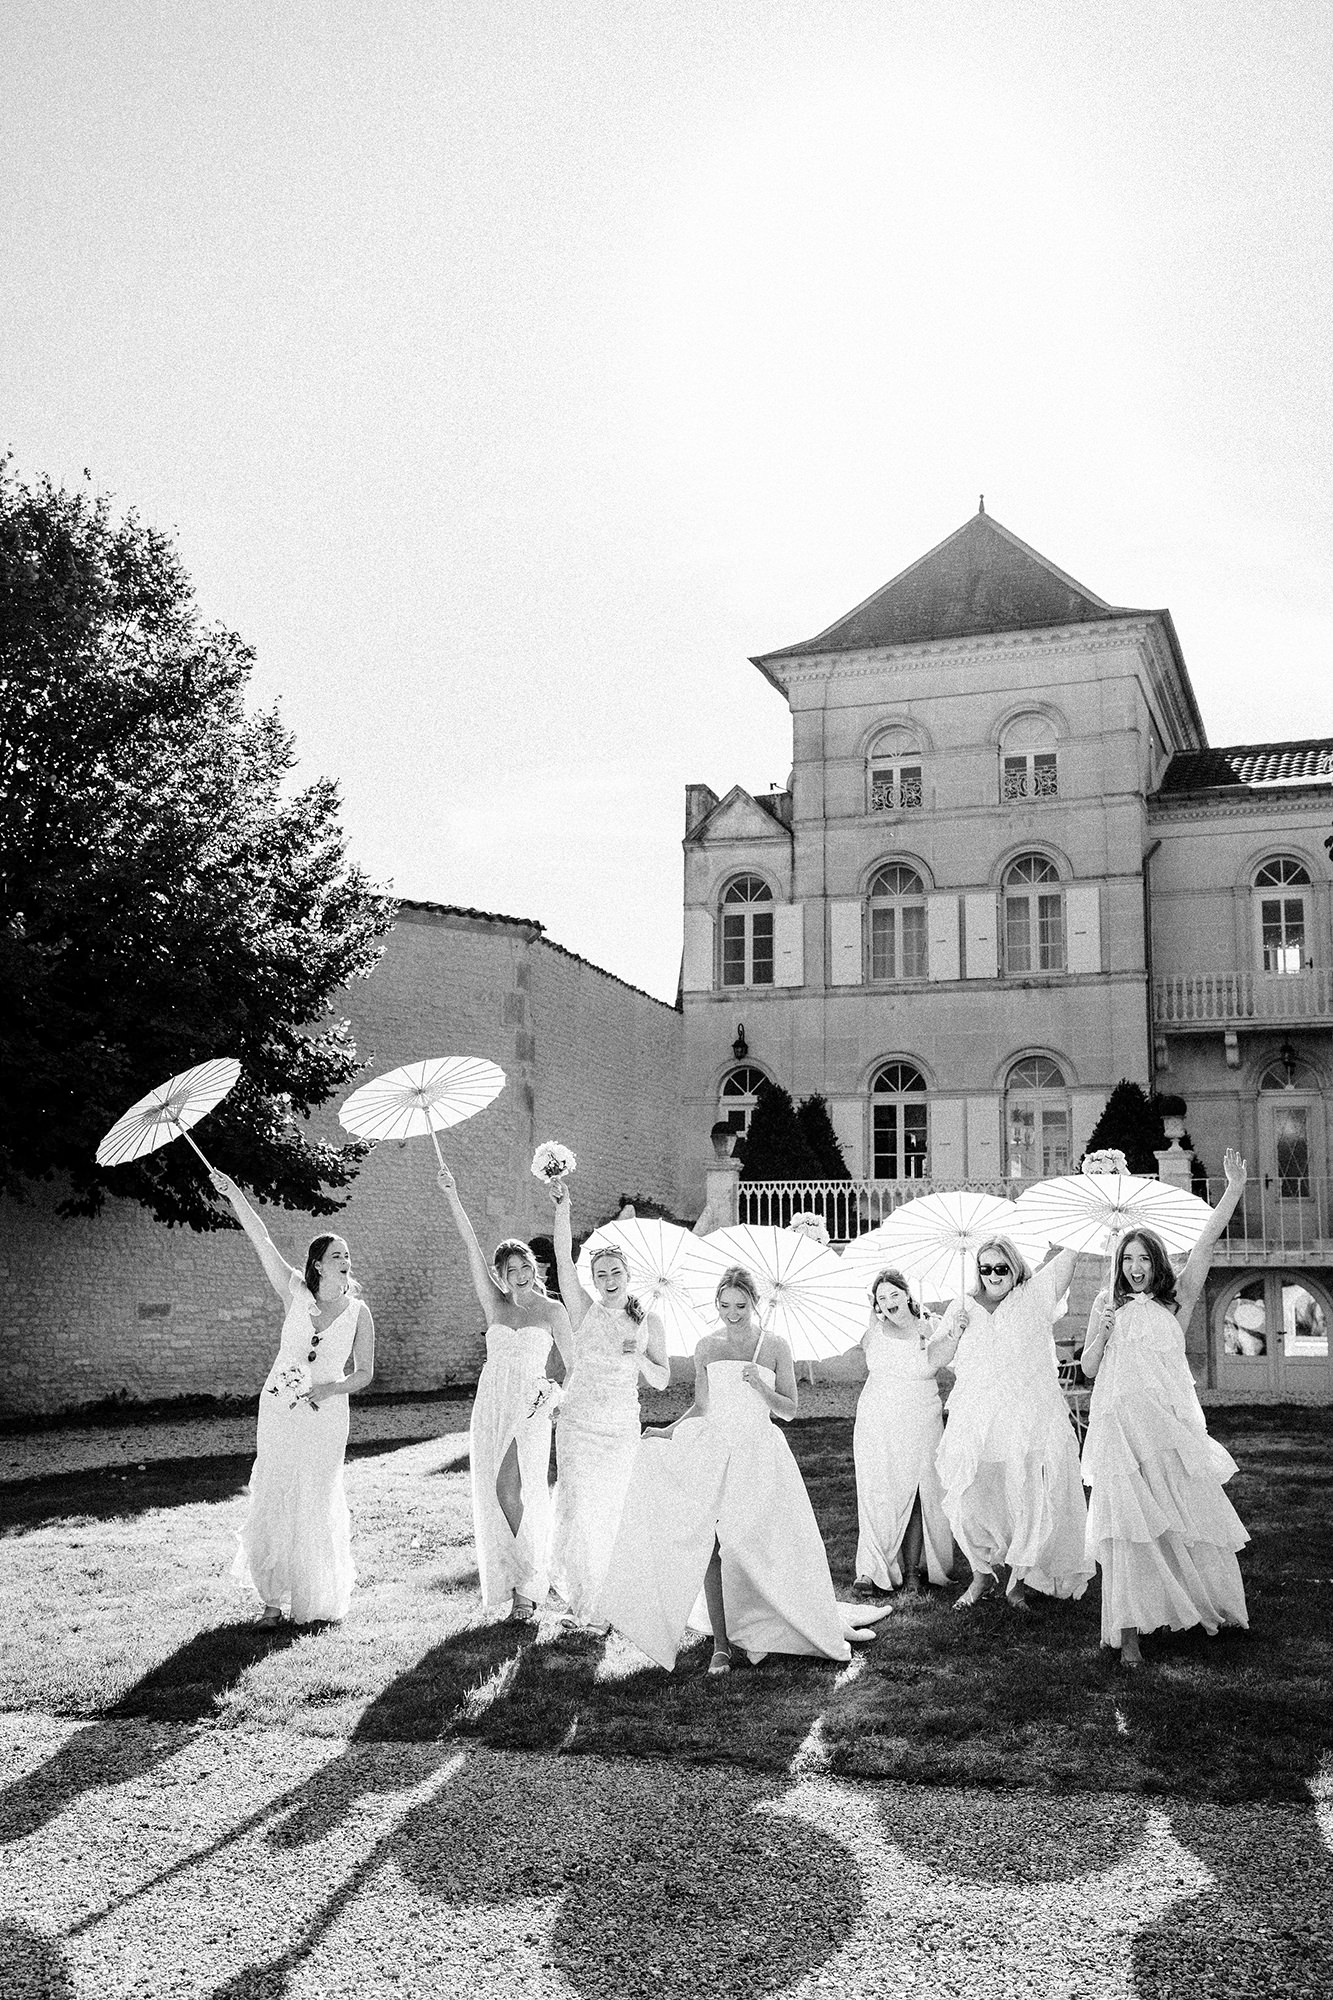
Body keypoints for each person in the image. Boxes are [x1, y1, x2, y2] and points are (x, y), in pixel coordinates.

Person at [597, 1265, 883, 1673]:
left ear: (755, 1304)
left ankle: (766, 1621)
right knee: (711, 1541)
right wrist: (669, 1431)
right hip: (714, 1449)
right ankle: (721, 1642)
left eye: (741, 1305)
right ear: (717, 1304)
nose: (733, 1313)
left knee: (764, 1542)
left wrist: (760, 1386)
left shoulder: (776, 1346)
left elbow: (790, 1410)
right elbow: (702, 1406)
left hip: (759, 1453)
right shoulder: (706, 1347)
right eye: (725, 1305)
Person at [1080, 1150, 1250, 1668]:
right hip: (1117, 1429)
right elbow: (1087, 1370)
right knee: (1126, 1524)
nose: (1134, 1268)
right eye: (1126, 1260)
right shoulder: (1104, 1304)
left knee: (1182, 1515)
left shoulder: (1178, 1302)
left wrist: (1233, 1191)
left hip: (1165, 1426)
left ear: (1156, 1262)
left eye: (1143, 1259)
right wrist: (1102, 1333)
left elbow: (1203, 1245)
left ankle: (1201, 1602)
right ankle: (1128, 1630)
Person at [210, 1170, 375, 1626]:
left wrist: (330, 1387)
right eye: (336, 1255)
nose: (345, 1260)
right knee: (277, 1488)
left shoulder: (360, 1313)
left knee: (317, 1493)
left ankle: (314, 1595)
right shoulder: (294, 1293)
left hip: (327, 1410)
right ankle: (270, 1603)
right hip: (280, 1406)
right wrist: (235, 1194)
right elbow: (260, 1237)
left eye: (348, 1255)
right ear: (318, 1264)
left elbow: (365, 1374)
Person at [437, 1163, 572, 1620]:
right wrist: (453, 1195)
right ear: (500, 1275)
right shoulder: (494, 1306)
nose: (519, 1274)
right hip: (491, 1403)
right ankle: (522, 1588)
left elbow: (573, 1368)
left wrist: (553, 1399)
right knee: (496, 1493)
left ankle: (529, 1583)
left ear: (534, 1269)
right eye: (509, 1269)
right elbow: (471, 1249)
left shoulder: (552, 1311)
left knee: (510, 1489)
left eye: (525, 1266)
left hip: (530, 1410)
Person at [933, 1234, 1092, 1611]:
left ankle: (1018, 1581)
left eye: (1000, 1268)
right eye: (984, 1268)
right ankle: (982, 1574)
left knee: (1027, 1496)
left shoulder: (1034, 1295)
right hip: (976, 1419)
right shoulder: (962, 1305)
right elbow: (934, 1358)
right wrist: (954, 1332)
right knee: (970, 1498)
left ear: (1015, 1267)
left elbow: (1070, 1256)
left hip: (1027, 1415)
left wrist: (1090, 1203)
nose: (992, 1275)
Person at [547, 1187, 670, 1626]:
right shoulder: (583, 1311)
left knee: (612, 1510)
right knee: (579, 1510)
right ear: (594, 1279)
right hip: (578, 1423)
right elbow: (563, 1263)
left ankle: (612, 1600)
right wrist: (563, 1210)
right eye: (601, 1274)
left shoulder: (648, 1321)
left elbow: (662, 1379)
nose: (609, 1279)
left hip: (620, 1428)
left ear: (627, 1272)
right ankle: (588, 1604)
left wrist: (635, 1353)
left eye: (615, 1271)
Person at [852, 1268, 954, 1596]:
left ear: (907, 1294)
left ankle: (913, 1570)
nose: (889, 1302)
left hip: (921, 1416)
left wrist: (941, 1334)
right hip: (876, 1418)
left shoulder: (932, 1326)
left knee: (919, 1492)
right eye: (882, 1298)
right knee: (876, 1491)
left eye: (894, 1294)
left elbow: (954, 1361)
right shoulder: (872, 1329)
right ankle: (870, 1570)